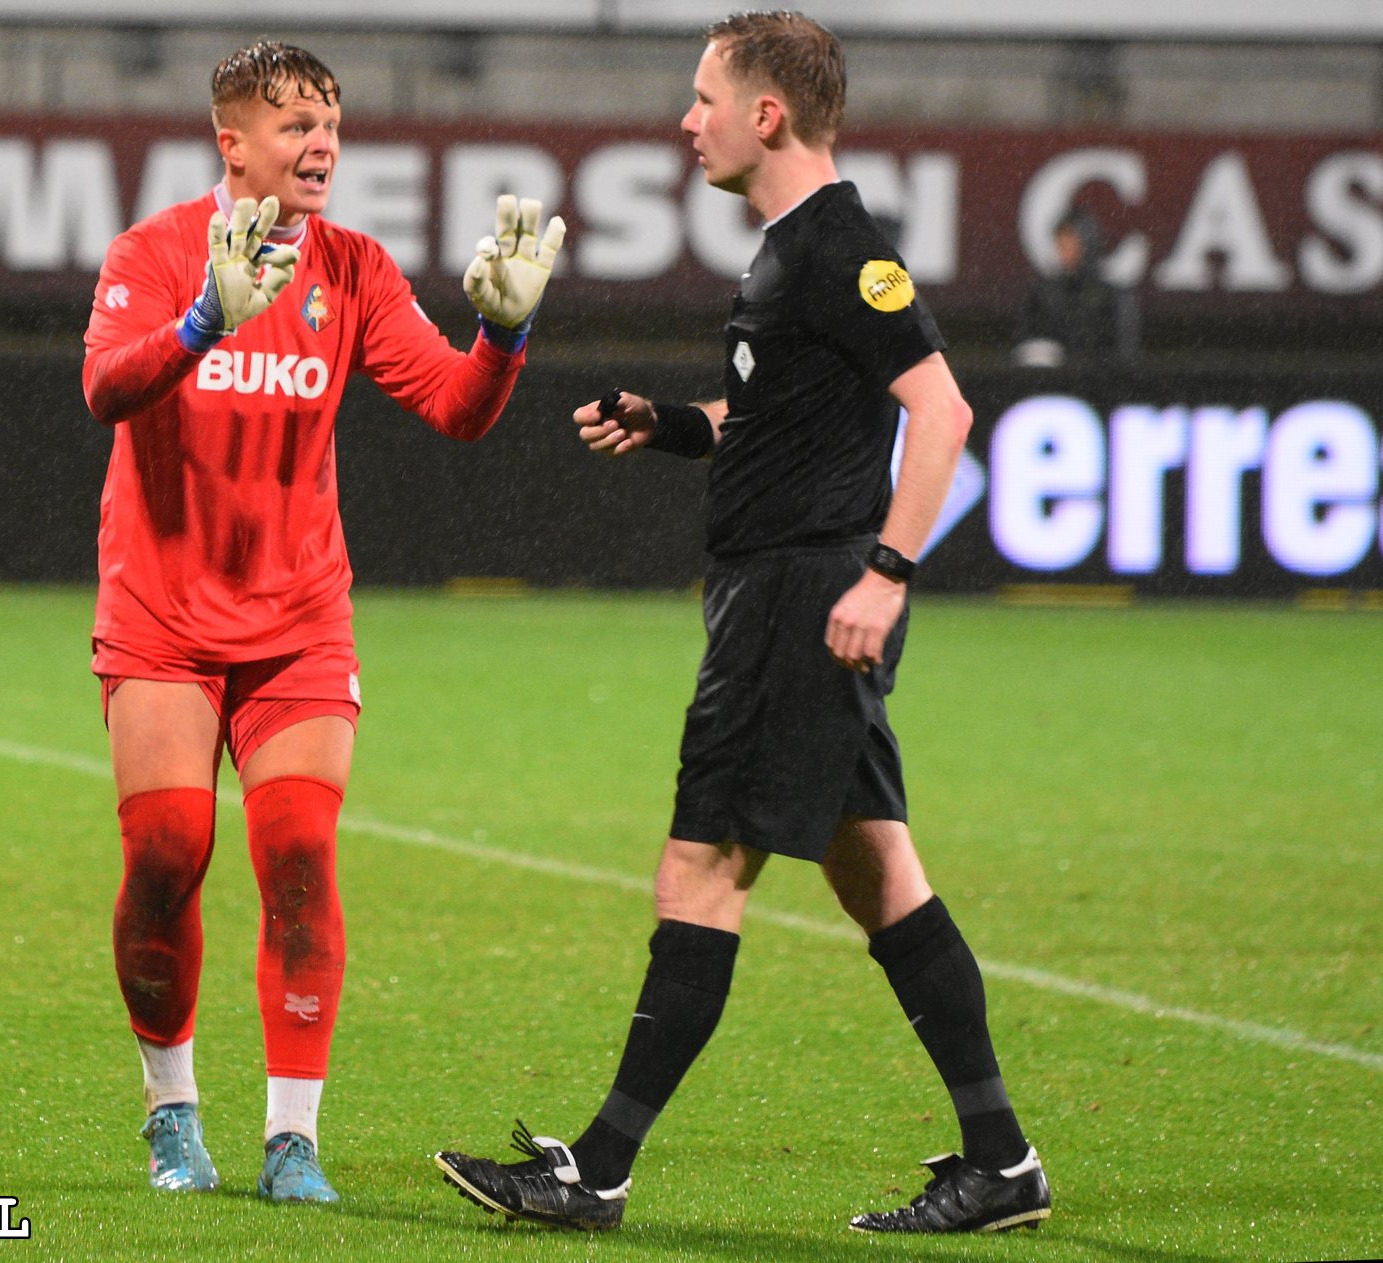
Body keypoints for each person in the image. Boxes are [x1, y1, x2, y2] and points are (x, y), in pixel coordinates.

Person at [433, 11, 1051, 1235]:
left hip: (801, 602)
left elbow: (943, 413)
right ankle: (1003, 1165)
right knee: (879, 875)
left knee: (701, 867)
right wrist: (673, 423)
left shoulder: (836, 250)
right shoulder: (790, 252)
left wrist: (887, 573)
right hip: (796, 593)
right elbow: (784, 418)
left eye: (703, 97)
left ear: (767, 114)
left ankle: (596, 1171)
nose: (686, 119)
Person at [80, 40, 563, 1204]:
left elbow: (455, 408)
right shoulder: (153, 256)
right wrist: (204, 319)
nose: (322, 145)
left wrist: (501, 338)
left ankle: (293, 1137)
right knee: (164, 855)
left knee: (296, 853)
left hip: (297, 622)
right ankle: (171, 1111)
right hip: (162, 620)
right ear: (230, 143)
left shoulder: (351, 270)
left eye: (331, 125)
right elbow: (104, 386)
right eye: (295, 125)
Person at [1013, 207, 1140, 366]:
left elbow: (1123, 351)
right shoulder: (1043, 294)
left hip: (1099, 383)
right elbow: (1026, 342)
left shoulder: (1112, 296)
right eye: (1061, 244)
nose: (1065, 252)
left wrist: (1082, 364)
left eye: (1071, 244)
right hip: (1051, 384)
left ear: (1087, 244)